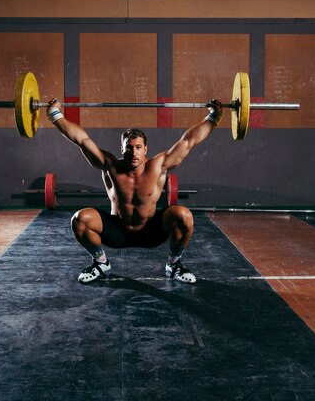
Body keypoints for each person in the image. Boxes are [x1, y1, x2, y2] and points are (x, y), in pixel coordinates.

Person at [46, 99, 223, 284]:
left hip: (151, 231)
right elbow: (81, 140)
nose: (134, 152)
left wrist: (214, 117)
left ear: (145, 149)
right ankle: (101, 263)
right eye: (129, 148)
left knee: (184, 216)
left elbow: (189, 141)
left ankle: (174, 265)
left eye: (138, 147)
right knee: (79, 219)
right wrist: (55, 115)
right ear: (122, 149)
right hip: (117, 231)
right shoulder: (110, 165)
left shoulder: (158, 166)